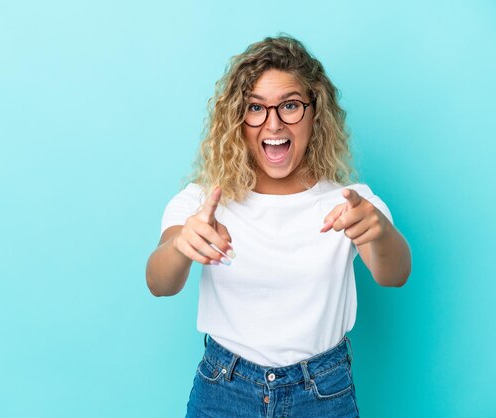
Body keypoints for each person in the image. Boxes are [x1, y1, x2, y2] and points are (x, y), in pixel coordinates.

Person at [146, 35, 411, 417]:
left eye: (289, 105)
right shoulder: (203, 202)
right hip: (224, 390)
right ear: (238, 118)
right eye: (256, 107)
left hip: (323, 393)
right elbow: (159, 282)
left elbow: (395, 274)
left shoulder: (351, 202)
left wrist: (380, 232)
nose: (273, 123)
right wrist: (181, 245)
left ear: (314, 112)